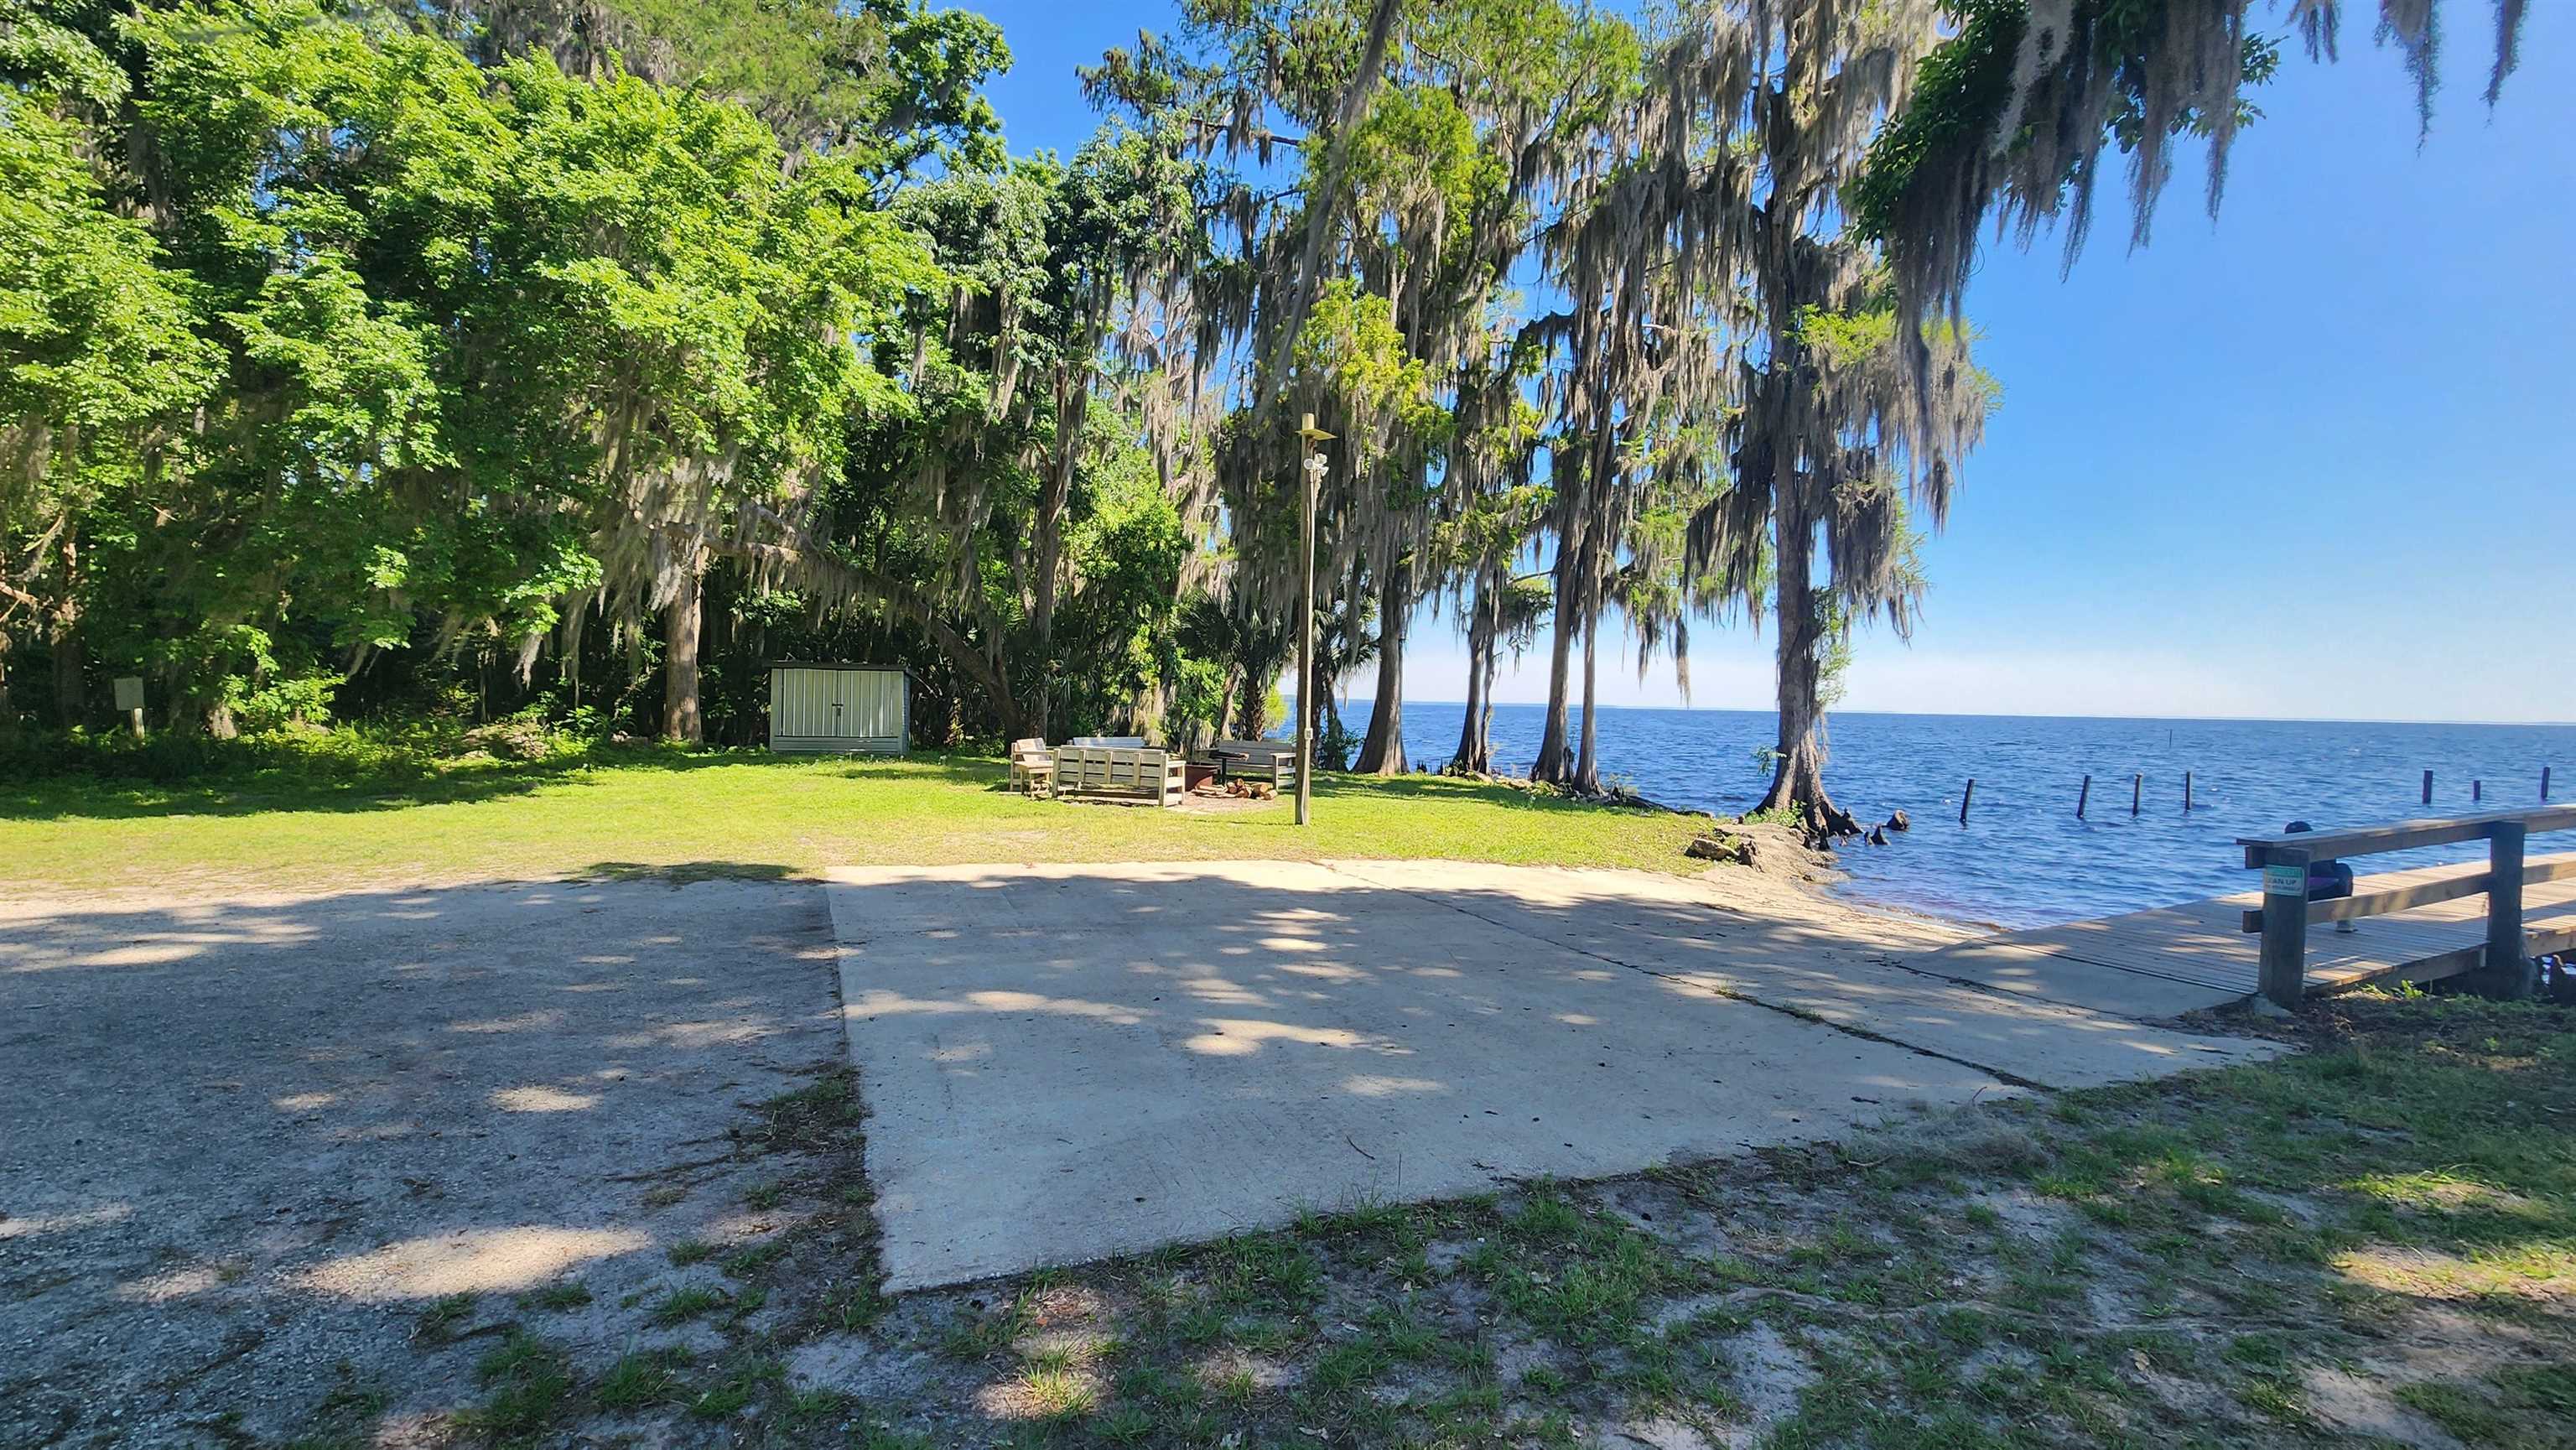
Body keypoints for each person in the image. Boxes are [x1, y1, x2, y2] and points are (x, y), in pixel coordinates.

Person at [2284, 821, 2360, 933]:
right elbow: (2332, 866)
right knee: (2343, 868)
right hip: (2327, 892)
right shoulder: (2321, 848)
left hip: (2290, 895)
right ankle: (2344, 921)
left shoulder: (2280, 852)